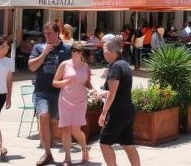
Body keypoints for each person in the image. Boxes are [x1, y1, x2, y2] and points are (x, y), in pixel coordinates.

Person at [29, 21, 72, 166]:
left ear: (57, 33)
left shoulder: (66, 49)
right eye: (45, 33)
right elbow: (32, 67)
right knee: (43, 116)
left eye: (50, 33)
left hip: (60, 91)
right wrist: (44, 54)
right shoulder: (38, 47)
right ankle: (47, 153)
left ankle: (67, 155)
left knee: (59, 122)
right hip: (41, 90)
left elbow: (72, 68)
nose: (47, 36)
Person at [97, 37, 140, 166]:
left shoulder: (115, 67)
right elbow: (119, 89)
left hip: (117, 111)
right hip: (127, 109)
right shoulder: (124, 64)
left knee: (104, 143)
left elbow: (112, 93)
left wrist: (103, 113)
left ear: (113, 51)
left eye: (105, 51)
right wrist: (102, 93)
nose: (103, 53)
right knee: (128, 144)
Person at [54, 42, 93, 165]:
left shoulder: (85, 66)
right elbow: (54, 82)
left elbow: (87, 83)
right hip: (65, 99)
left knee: (76, 129)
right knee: (66, 128)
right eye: (73, 51)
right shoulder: (64, 64)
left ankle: (84, 148)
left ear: (81, 53)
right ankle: (67, 157)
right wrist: (64, 82)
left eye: (77, 51)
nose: (74, 53)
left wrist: (94, 90)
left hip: (80, 100)